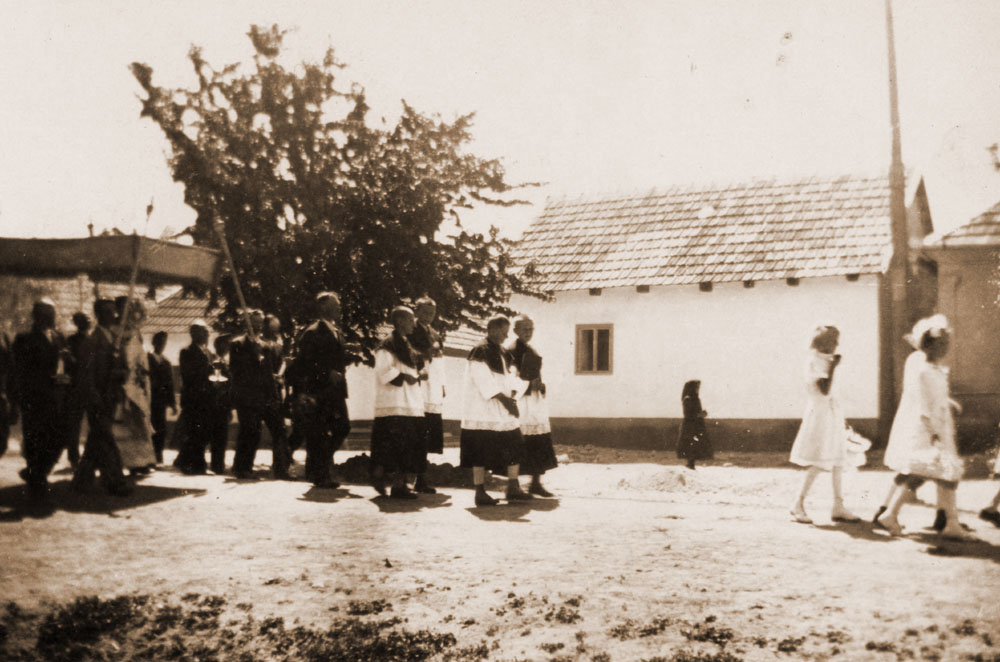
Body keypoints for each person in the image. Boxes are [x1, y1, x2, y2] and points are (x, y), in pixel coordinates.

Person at [876, 315, 971, 540]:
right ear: (928, 346)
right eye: (942, 343)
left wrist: (948, 403)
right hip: (929, 431)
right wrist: (934, 434)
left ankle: (949, 522)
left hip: (940, 428)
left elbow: (936, 397)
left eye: (947, 342)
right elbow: (923, 407)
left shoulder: (936, 369)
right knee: (937, 474)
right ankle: (893, 514)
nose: (946, 347)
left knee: (935, 475)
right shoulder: (923, 371)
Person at [788, 324, 860, 524]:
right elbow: (824, 389)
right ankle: (797, 503)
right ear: (823, 342)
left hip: (833, 414)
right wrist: (834, 366)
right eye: (833, 340)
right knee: (821, 460)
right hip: (820, 415)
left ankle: (838, 505)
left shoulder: (827, 360)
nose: (836, 344)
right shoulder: (814, 361)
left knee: (838, 460)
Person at [460, 315, 529, 507]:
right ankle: (479, 492)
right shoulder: (479, 351)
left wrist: (514, 393)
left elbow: (509, 377)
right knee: (480, 451)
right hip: (483, 409)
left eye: (507, 333)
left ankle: (513, 487)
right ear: (491, 329)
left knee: (514, 443)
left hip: (502, 408)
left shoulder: (502, 352)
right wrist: (506, 401)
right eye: (503, 332)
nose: (506, 337)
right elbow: (484, 381)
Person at [288, 292, 350, 488]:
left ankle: (318, 467)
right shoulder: (313, 331)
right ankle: (319, 474)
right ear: (323, 307)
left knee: (342, 427)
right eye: (335, 305)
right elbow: (305, 362)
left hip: (335, 391)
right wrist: (326, 373)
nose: (339, 308)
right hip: (319, 390)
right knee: (320, 433)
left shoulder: (336, 330)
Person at [12, 299, 71, 499]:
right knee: (35, 438)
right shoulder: (24, 339)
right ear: (37, 316)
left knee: (59, 436)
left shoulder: (58, 337)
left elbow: (67, 363)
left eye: (52, 313)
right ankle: (36, 476)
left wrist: (66, 369)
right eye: (47, 314)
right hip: (34, 398)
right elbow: (21, 372)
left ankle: (38, 472)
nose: (52, 318)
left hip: (56, 398)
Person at [73, 298, 130, 496]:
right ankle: (115, 480)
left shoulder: (115, 339)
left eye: (114, 311)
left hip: (112, 396)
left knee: (96, 438)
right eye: (107, 311)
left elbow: (124, 366)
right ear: (98, 315)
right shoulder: (92, 341)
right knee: (106, 437)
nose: (113, 315)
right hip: (98, 397)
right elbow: (86, 373)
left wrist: (120, 373)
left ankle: (82, 478)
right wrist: (93, 396)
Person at [370, 306, 426, 499]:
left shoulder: (406, 344)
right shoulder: (387, 345)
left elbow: (414, 366)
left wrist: (419, 373)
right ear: (400, 321)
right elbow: (383, 370)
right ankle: (380, 477)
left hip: (409, 404)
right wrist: (404, 377)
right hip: (393, 404)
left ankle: (399, 485)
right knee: (392, 446)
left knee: (407, 446)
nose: (414, 324)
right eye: (410, 320)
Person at [229, 309, 290, 480]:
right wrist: (252, 355)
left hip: (266, 397)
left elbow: (268, 372)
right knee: (250, 432)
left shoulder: (266, 346)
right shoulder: (237, 344)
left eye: (260, 322)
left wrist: (275, 396)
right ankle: (242, 467)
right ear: (246, 323)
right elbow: (235, 370)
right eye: (254, 322)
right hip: (247, 397)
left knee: (279, 430)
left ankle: (281, 469)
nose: (257, 326)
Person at [508, 315, 558, 496]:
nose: (528, 332)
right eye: (525, 329)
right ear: (516, 331)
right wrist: (528, 385)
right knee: (520, 441)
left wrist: (540, 385)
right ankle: (514, 485)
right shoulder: (511, 351)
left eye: (531, 329)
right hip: (521, 401)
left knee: (539, 440)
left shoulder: (532, 350)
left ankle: (536, 483)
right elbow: (511, 378)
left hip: (535, 401)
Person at [111, 296, 157, 474]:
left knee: (141, 420)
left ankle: (142, 461)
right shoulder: (115, 330)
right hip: (124, 382)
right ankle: (127, 462)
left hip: (138, 380)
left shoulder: (135, 330)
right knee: (126, 424)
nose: (127, 312)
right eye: (123, 308)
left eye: (129, 308)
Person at [408, 296, 445, 494]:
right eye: (425, 312)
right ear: (417, 311)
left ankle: (421, 477)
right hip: (418, 385)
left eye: (432, 313)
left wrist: (442, 385)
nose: (429, 316)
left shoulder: (435, 333)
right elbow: (409, 356)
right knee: (416, 432)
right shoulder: (411, 331)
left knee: (427, 433)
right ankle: (413, 477)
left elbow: (439, 361)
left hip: (433, 387)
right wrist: (426, 354)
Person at [173, 321, 217, 475]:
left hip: (205, 398)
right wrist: (208, 376)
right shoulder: (186, 352)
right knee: (194, 431)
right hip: (194, 398)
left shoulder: (207, 352)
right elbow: (189, 374)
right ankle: (194, 464)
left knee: (203, 431)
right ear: (194, 334)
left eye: (207, 332)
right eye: (204, 332)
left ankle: (188, 461)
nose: (207, 335)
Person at [63, 311, 91, 468]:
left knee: (90, 423)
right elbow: (67, 364)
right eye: (83, 321)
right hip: (76, 386)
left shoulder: (92, 340)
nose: (87, 323)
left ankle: (87, 457)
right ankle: (74, 458)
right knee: (74, 423)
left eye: (87, 320)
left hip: (88, 385)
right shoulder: (71, 341)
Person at [147, 331, 176, 465]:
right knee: (150, 427)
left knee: (161, 429)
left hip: (161, 401)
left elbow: (170, 384)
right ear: (154, 343)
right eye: (159, 342)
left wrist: (172, 403)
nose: (162, 345)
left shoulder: (166, 362)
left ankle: (159, 456)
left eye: (164, 342)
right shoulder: (147, 359)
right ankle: (149, 457)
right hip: (150, 399)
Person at [208, 334, 233, 475]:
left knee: (222, 436)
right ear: (218, 346)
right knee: (218, 435)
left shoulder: (225, 361)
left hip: (224, 403)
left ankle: (218, 464)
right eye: (225, 344)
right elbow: (216, 383)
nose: (227, 347)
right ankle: (217, 465)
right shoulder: (215, 361)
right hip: (216, 403)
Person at [676, 379, 712, 470]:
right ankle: (690, 463)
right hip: (690, 425)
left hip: (697, 424)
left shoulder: (696, 399)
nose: (697, 389)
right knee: (690, 444)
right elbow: (688, 414)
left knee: (695, 444)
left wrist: (701, 414)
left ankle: (691, 463)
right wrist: (699, 415)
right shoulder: (687, 399)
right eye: (696, 387)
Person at [0, 330, 16, 459]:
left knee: (2, 439)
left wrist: (13, 399)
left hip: (2, 393)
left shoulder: (3, 337)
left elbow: (11, 369)